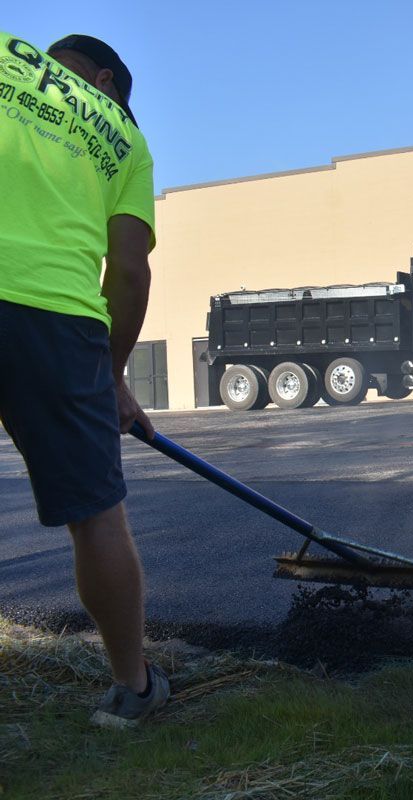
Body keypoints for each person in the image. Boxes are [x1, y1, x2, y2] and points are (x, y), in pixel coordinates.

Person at [0, 31, 169, 725]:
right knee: (96, 517)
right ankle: (134, 689)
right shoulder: (123, 135)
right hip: (55, 316)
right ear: (107, 81)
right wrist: (112, 376)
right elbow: (128, 271)